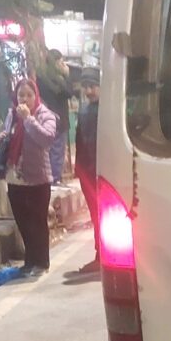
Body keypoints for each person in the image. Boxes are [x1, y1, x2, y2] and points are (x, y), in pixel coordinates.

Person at [2, 78, 56, 276]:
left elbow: (46, 138)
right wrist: (3, 138)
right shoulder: (11, 115)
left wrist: (28, 119)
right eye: (20, 95)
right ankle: (30, 260)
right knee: (23, 222)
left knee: (37, 223)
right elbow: (8, 135)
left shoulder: (45, 115)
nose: (24, 99)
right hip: (15, 177)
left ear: (36, 96)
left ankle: (41, 263)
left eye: (28, 95)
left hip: (38, 179)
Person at [74, 66, 100, 274]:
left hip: (105, 172)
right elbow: (80, 141)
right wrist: (80, 170)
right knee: (96, 217)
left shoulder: (111, 110)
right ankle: (100, 256)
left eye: (92, 86)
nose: (89, 91)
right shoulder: (83, 110)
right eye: (86, 87)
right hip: (88, 173)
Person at [36, 49, 71, 185]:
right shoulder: (59, 79)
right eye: (61, 62)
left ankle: (49, 180)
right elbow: (70, 92)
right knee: (57, 151)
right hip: (59, 119)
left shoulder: (41, 77)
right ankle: (54, 180)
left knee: (49, 152)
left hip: (46, 119)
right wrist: (67, 75)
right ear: (56, 62)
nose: (63, 65)